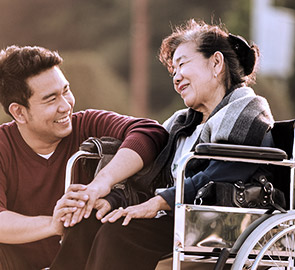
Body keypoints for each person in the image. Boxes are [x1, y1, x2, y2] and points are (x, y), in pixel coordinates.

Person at [52, 19, 275, 270]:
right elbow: (147, 178)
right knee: (89, 221)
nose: (176, 77)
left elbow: (225, 172)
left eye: (182, 64)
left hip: (213, 219)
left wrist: (159, 202)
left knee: (120, 234)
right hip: (173, 216)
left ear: (216, 63)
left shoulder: (248, 113)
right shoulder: (181, 124)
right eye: (173, 72)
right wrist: (113, 201)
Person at [0, 45, 168, 270]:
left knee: (89, 221)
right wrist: (52, 224)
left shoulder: (88, 124)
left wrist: (101, 183)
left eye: (65, 90)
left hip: (85, 258)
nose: (65, 105)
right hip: (16, 258)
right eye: (51, 99)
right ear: (19, 112)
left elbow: (150, 131)